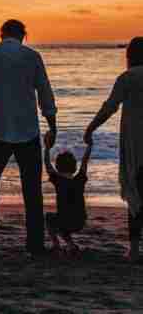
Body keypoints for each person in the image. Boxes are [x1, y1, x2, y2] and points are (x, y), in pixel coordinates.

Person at [0, 19, 57, 257]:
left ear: (1, 34)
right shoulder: (32, 57)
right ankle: (35, 246)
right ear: (23, 35)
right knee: (32, 191)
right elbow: (45, 91)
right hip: (28, 130)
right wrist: (52, 123)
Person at [84, 37, 143, 262]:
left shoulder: (127, 78)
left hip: (135, 144)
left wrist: (91, 128)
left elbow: (109, 107)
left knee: (135, 194)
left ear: (130, 56)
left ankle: (135, 249)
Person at [44, 142, 91, 257]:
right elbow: (85, 162)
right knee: (62, 222)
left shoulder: (58, 180)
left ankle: (56, 245)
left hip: (65, 221)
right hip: (80, 221)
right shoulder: (80, 179)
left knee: (49, 218)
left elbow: (47, 164)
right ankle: (71, 246)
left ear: (58, 168)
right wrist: (89, 147)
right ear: (75, 167)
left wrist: (47, 148)